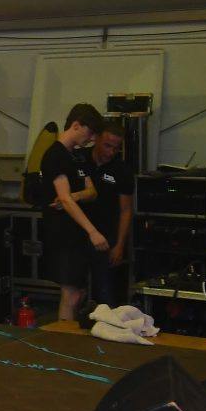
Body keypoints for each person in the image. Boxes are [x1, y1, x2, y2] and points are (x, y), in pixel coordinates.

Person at [38, 103, 106, 324]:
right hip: (63, 234)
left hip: (76, 234)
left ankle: (68, 333)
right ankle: (63, 338)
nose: (92, 139)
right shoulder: (55, 155)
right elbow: (64, 199)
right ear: (76, 125)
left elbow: (91, 192)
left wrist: (75, 196)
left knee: (79, 292)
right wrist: (93, 231)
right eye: (90, 133)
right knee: (71, 294)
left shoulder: (77, 157)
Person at [80, 122, 135, 308]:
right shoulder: (79, 159)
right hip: (77, 233)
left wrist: (120, 245)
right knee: (75, 289)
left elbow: (126, 210)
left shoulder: (122, 170)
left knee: (105, 290)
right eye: (107, 145)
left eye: (116, 148)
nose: (111, 152)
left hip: (106, 235)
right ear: (96, 139)